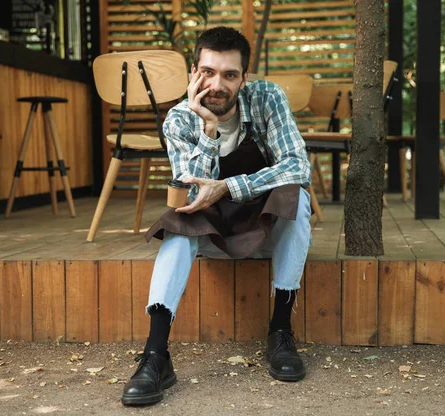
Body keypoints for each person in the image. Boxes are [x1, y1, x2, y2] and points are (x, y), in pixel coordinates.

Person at [121, 26, 312, 406]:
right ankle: (156, 355)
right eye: (208, 72)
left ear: (244, 77)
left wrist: (229, 187)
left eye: (229, 74)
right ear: (194, 72)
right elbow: (194, 192)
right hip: (210, 231)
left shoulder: (267, 97)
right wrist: (208, 130)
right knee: (178, 219)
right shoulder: (178, 120)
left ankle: (280, 331)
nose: (218, 84)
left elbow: (297, 166)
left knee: (296, 198)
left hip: (264, 226)